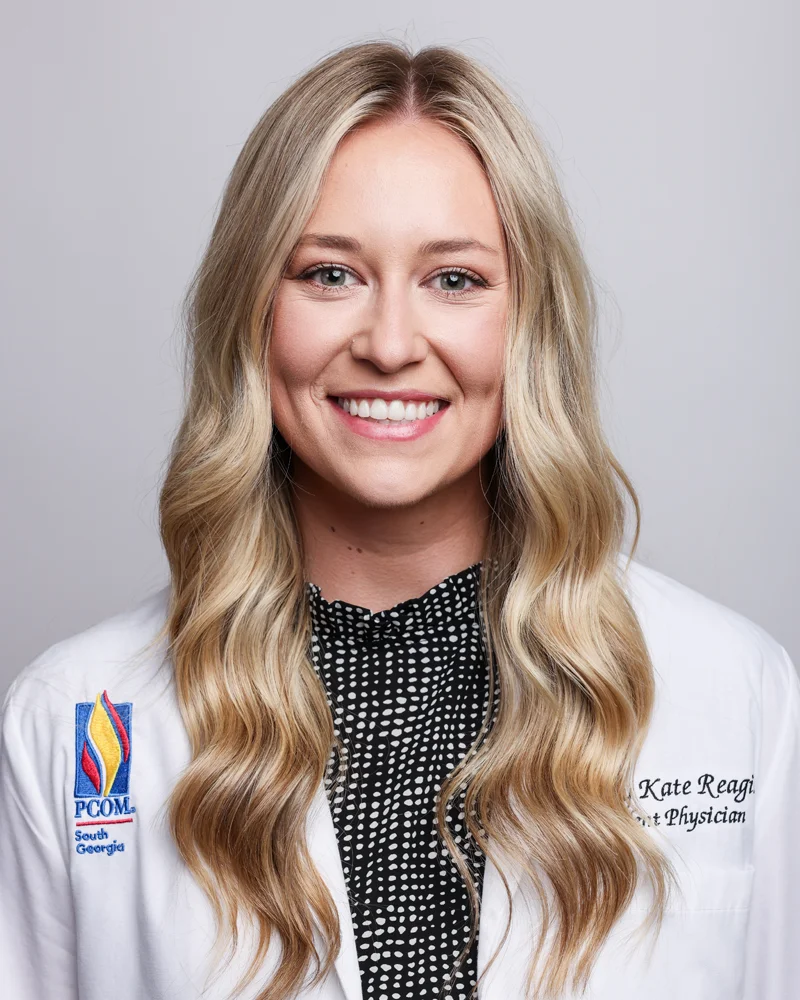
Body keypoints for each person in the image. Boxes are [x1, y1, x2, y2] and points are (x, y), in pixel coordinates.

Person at [0, 39, 797, 1000]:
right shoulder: (74, 720)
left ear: (527, 321)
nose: (387, 345)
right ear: (252, 310)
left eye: (453, 280)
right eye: (329, 274)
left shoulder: (733, 690)